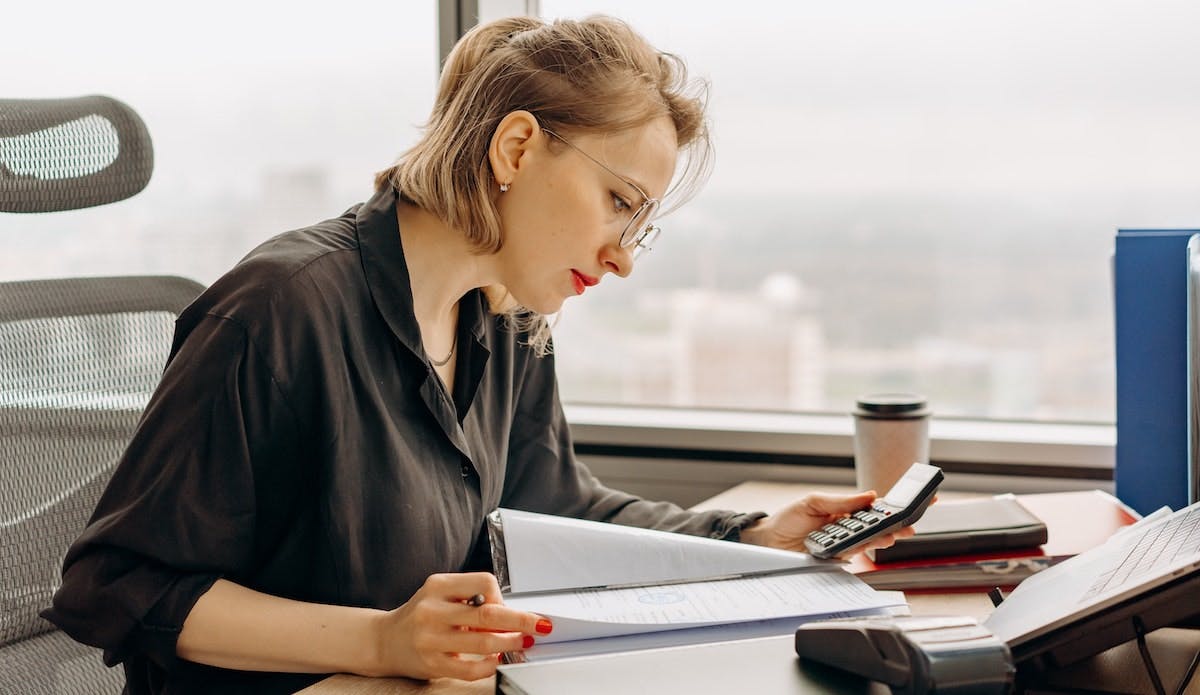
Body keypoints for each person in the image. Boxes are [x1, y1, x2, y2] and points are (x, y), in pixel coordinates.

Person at [44, 14, 912, 694]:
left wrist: (751, 536)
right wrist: (380, 637)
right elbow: (113, 584)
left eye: (639, 225)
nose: (622, 255)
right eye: (618, 202)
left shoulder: (505, 319)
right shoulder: (281, 309)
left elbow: (557, 505)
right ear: (516, 147)